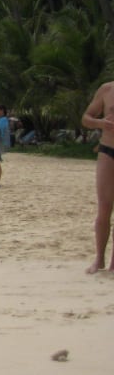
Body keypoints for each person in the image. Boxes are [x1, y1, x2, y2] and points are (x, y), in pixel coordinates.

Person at [81, 81, 114, 274]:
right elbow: (86, 118)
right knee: (104, 208)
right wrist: (101, 123)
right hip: (107, 150)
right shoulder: (107, 89)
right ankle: (99, 258)